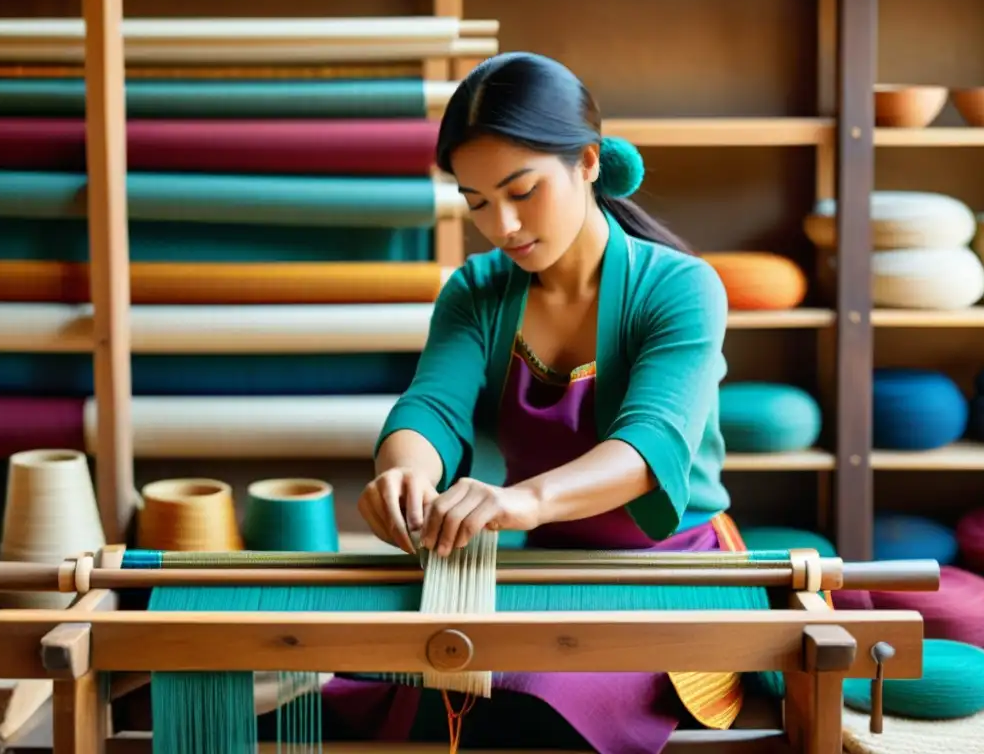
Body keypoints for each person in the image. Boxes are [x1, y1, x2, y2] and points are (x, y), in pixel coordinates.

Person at [316, 51, 747, 754]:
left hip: (672, 568)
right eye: (478, 202)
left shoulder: (683, 288)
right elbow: (432, 408)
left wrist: (523, 503)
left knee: (526, 708)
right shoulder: (476, 291)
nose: (504, 225)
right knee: (420, 689)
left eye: (522, 190)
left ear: (587, 162)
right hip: (541, 565)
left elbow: (650, 446)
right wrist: (406, 473)